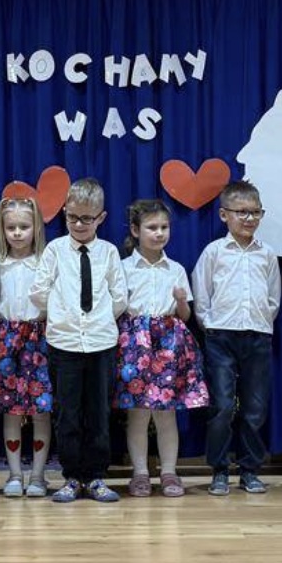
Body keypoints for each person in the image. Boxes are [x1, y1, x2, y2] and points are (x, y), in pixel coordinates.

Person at [30, 178, 128, 504]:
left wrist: (98, 320)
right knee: (67, 413)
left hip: (101, 343)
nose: (79, 224)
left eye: (87, 218)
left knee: (98, 413)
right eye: (72, 217)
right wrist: (63, 315)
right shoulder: (55, 251)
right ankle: (72, 477)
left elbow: (120, 297)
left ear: (101, 217)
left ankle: (96, 476)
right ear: (65, 213)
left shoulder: (109, 252)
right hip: (64, 344)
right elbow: (39, 292)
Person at [115, 198, 208, 499]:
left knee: (166, 413)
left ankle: (169, 471)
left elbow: (185, 316)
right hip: (135, 346)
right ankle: (140, 472)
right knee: (138, 414)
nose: (159, 233)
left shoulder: (176, 268)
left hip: (169, 346)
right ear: (135, 230)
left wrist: (180, 300)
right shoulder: (123, 268)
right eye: (152, 227)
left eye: (164, 227)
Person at [191, 179, 280, 495]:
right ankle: (219, 469)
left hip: (257, 336)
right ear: (224, 215)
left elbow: (273, 299)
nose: (249, 218)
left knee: (255, 407)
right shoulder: (214, 252)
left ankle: (250, 469)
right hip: (221, 338)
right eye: (241, 212)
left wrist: (260, 322)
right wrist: (211, 326)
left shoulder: (266, 254)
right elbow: (201, 295)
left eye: (256, 212)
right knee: (223, 406)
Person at [0, 196, 53, 498]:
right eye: (10, 227)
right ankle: (14, 474)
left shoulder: (45, 263)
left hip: (39, 338)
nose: (17, 233)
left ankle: (38, 475)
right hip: (5, 339)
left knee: (41, 410)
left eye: (23, 226)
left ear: (35, 227)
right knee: (9, 410)